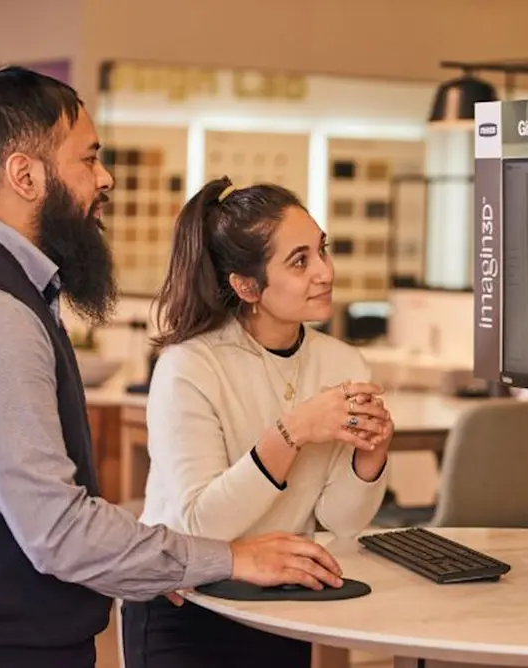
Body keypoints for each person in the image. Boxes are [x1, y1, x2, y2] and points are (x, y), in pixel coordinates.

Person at [0, 66, 344, 668]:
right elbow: (58, 531)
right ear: (25, 174)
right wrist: (225, 558)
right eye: (88, 159)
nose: (104, 179)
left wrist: (150, 552)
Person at [122, 177, 394, 668]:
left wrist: (370, 456)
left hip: (283, 607)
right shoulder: (191, 366)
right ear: (246, 286)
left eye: (321, 251)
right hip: (186, 608)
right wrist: (294, 432)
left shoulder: (343, 363)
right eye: (300, 260)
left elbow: (342, 520)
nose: (325, 272)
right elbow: (199, 525)